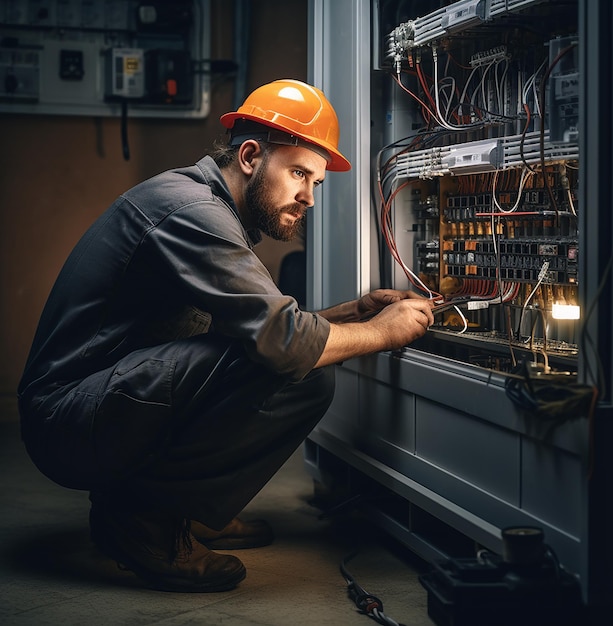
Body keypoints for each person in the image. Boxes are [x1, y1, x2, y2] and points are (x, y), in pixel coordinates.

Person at [17, 79, 434, 593]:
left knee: (274, 357)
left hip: (99, 404)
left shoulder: (205, 206)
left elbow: (261, 330)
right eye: (299, 173)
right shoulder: (194, 212)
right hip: (67, 424)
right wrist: (382, 333)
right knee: (302, 378)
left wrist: (354, 313)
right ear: (251, 156)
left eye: (316, 183)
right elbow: (282, 341)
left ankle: (180, 509)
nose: (308, 197)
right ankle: (144, 519)